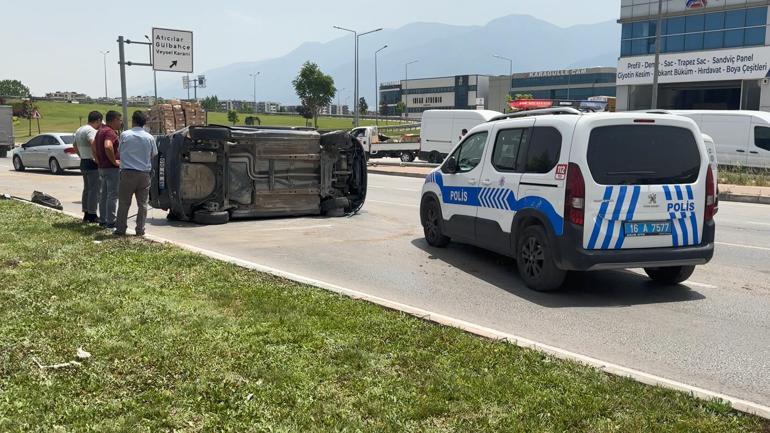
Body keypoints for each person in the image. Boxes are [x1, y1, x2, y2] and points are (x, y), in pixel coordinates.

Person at [114, 110, 157, 236]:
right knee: (142, 204)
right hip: (144, 174)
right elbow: (153, 154)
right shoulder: (149, 137)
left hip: (127, 173)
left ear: (133, 120)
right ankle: (140, 229)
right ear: (144, 123)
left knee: (124, 203)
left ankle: (121, 229)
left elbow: (120, 151)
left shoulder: (125, 135)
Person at [94, 110, 122, 228]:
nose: (120, 123)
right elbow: (108, 146)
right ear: (114, 120)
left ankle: (103, 219)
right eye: (120, 120)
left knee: (104, 195)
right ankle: (111, 221)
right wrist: (114, 161)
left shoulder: (100, 131)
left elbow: (93, 145)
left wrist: (98, 159)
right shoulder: (110, 132)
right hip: (111, 169)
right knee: (112, 195)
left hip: (102, 168)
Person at [73, 111, 102, 223]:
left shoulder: (80, 129)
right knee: (95, 190)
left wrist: (81, 155)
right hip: (92, 163)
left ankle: (86, 212)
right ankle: (92, 214)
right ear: (98, 120)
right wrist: (97, 158)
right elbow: (93, 143)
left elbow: (74, 145)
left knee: (87, 189)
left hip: (84, 162)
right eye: (100, 122)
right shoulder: (91, 130)